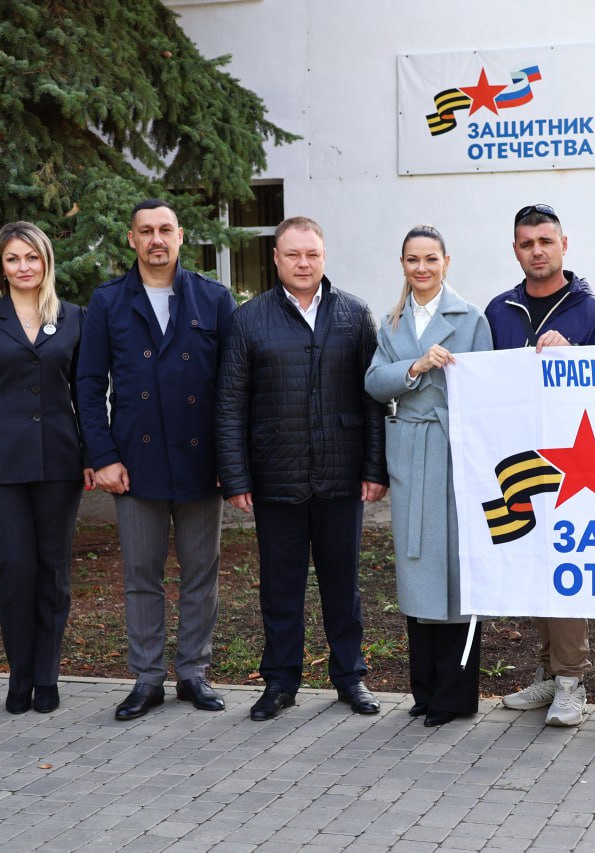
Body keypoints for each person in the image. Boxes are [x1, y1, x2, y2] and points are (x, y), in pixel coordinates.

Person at [216, 216, 389, 722]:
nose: (303, 263)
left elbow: (373, 398)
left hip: (340, 475)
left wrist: (374, 467)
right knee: (280, 588)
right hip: (276, 476)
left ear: (324, 256)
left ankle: (350, 677)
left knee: (343, 585)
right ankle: (280, 681)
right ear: (276, 258)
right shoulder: (249, 320)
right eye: (293, 254)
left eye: (312, 253)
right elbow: (230, 404)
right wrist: (236, 476)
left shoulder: (355, 314)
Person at [77, 199, 238, 721]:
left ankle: (193, 672)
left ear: (180, 235)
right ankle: (147, 678)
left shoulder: (214, 298)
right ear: (132, 239)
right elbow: (88, 385)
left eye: (165, 229)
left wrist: (230, 459)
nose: (156, 239)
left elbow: (234, 386)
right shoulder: (108, 301)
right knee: (141, 575)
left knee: (201, 573)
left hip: (201, 461)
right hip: (135, 463)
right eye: (145, 231)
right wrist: (103, 455)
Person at [484, 203, 595, 727]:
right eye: (527, 243)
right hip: (519, 456)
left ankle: (571, 681)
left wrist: (573, 353)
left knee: (565, 565)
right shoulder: (499, 309)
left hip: (575, 463)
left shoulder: (592, 311)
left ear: (564, 245)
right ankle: (547, 672)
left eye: (545, 241)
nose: (537, 251)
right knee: (533, 562)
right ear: (515, 250)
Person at [0, 221, 92, 715]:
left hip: (59, 463)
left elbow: (86, 393)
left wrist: (93, 456)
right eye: (13, 258)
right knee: (14, 568)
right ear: (0, 266)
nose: (23, 266)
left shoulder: (74, 318)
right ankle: (20, 675)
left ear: (46, 261)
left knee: (53, 571)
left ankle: (47, 677)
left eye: (31, 257)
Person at [364, 225, 493, 727]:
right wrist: (415, 367)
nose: (422, 268)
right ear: (402, 264)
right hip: (411, 452)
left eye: (430, 259)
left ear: (446, 262)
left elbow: (485, 387)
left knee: (455, 571)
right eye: (413, 260)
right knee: (417, 564)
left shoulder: (470, 318)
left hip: (453, 453)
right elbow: (374, 381)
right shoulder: (392, 322)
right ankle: (424, 688)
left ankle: (454, 696)